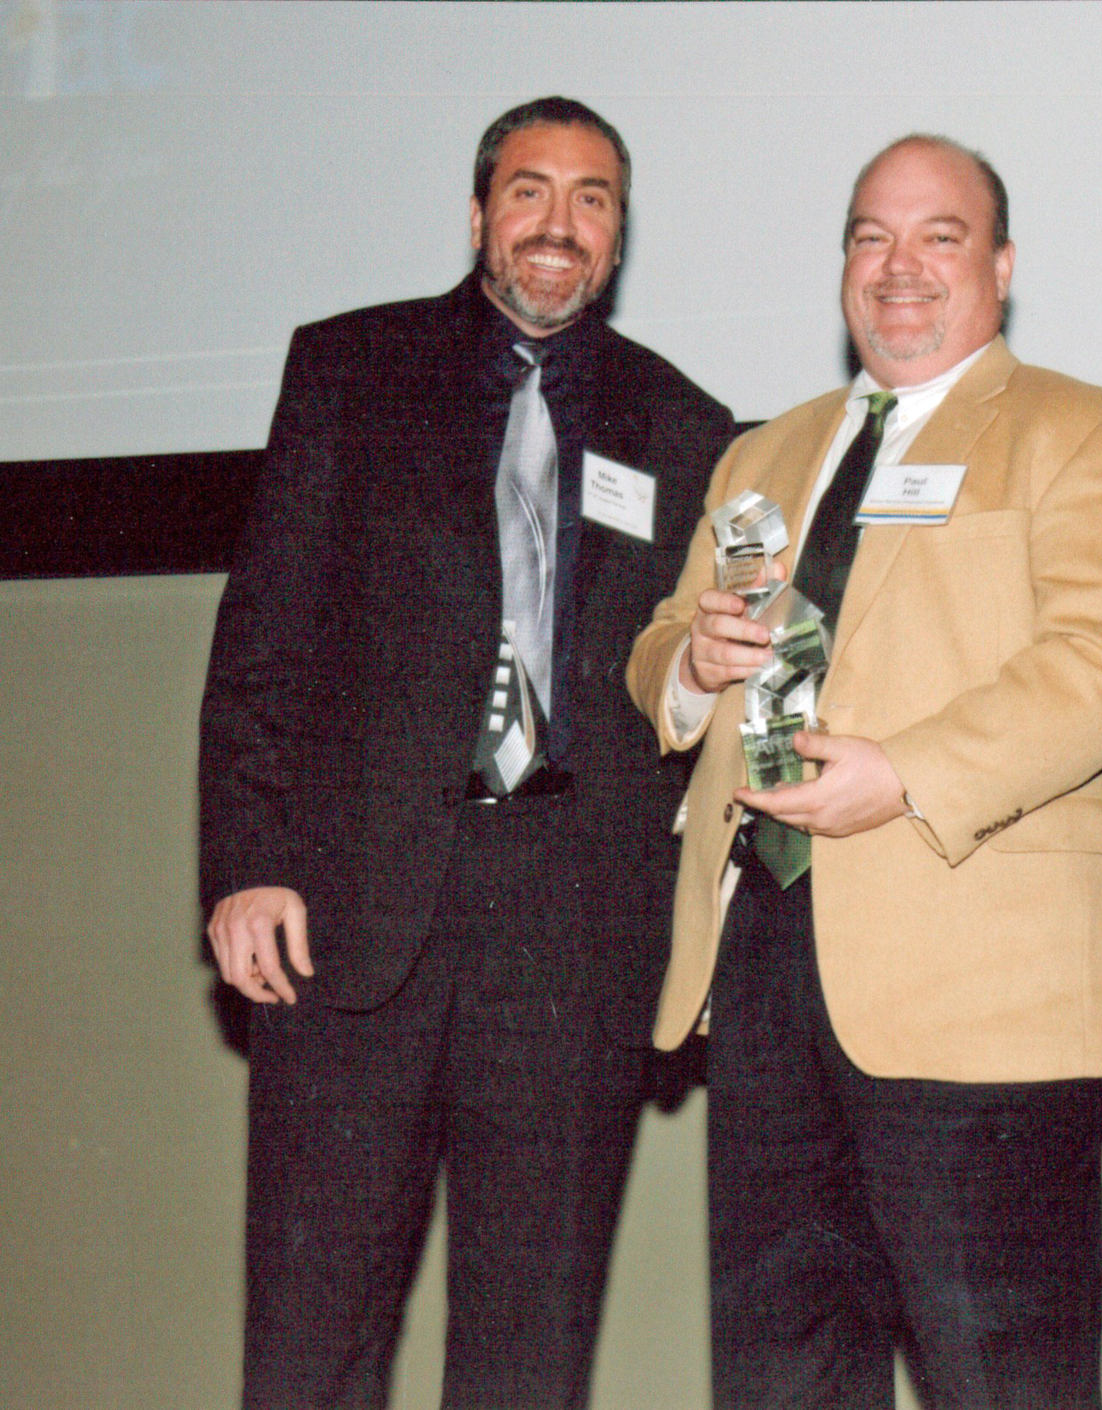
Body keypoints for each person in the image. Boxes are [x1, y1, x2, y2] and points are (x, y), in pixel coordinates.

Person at [626, 133, 1102, 1408]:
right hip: (762, 970)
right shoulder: (759, 454)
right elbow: (664, 640)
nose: (900, 267)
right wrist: (695, 667)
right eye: (871, 236)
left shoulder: (1092, 431)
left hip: (977, 989)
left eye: (939, 236)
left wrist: (908, 773)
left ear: (1001, 264)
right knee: (781, 1379)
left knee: (1001, 1383)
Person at [198, 96, 735, 1408]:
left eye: (594, 198)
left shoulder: (685, 424)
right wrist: (244, 861)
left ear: (620, 233)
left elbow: (691, 692)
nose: (560, 224)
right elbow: (263, 636)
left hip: (572, 939)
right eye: (532, 190)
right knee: (310, 1336)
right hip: (349, 922)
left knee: (528, 1352)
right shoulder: (350, 369)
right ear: (480, 212)